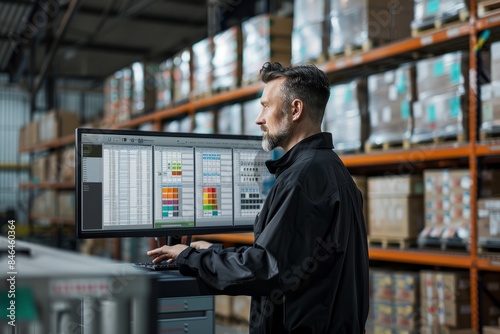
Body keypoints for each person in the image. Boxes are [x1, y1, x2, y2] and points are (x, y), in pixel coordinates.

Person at [147, 62, 369, 333]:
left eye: (266, 106)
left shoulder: (302, 178)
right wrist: (210, 251)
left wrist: (188, 258)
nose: (259, 118)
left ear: (295, 109)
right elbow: (285, 255)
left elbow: (266, 269)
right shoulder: (330, 168)